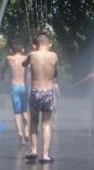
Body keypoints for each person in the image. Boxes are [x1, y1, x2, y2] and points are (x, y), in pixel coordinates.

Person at [22, 33, 58, 163]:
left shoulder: (32, 54)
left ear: (35, 45)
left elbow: (23, 64)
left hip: (35, 92)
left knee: (34, 121)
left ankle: (33, 150)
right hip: (47, 92)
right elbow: (55, 74)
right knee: (46, 123)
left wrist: (31, 55)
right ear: (49, 45)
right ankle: (45, 155)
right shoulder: (54, 55)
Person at [1, 39, 30, 146]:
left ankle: (19, 132)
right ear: (22, 49)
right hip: (24, 87)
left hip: (14, 87)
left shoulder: (9, 58)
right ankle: (26, 131)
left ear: (11, 50)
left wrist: (2, 76)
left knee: (17, 112)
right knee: (25, 111)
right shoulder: (26, 58)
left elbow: (3, 69)